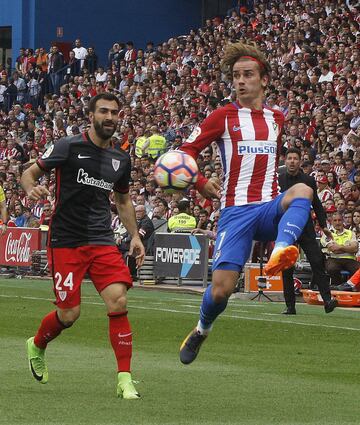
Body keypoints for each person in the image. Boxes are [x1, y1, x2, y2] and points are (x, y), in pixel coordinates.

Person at [178, 41, 315, 365]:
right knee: (222, 290)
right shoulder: (222, 117)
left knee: (302, 190)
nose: (240, 81)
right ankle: (201, 329)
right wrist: (199, 183)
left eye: (248, 75)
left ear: (263, 79)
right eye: (236, 76)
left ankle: (282, 247)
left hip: (268, 207)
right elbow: (184, 153)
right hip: (235, 212)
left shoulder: (276, 118)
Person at [21, 92, 145, 399]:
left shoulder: (121, 159)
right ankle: (37, 344)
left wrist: (135, 236)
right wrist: (30, 187)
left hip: (102, 239)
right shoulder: (68, 146)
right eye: (104, 111)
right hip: (66, 241)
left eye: (115, 112)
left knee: (118, 301)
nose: (110, 117)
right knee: (69, 315)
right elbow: (29, 172)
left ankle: (125, 378)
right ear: (91, 115)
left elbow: (123, 199)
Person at [278, 148, 337, 314]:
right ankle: (290, 306)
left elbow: (316, 203)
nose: (292, 161)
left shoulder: (308, 180)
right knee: (287, 266)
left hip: (305, 226)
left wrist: (324, 224)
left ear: (300, 161)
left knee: (317, 261)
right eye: (289, 158)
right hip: (286, 227)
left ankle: (327, 300)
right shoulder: (279, 180)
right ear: (286, 160)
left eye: (295, 159)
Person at [320, 212, 359, 286]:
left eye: (339, 220)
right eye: (335, 220)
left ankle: (352, 287)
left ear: (343, 220)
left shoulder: (350, 233)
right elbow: (334, 249)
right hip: (333, 259)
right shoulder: (327, 234)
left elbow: (355, 249)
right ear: (331, 222)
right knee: (332, 269)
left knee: (358, 269)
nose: (337, 223)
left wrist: (340, 247)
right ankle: (337, 287)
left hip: (350, 259)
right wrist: (348, 248)